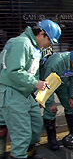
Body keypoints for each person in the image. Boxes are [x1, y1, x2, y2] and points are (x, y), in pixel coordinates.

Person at [0, 19, 61, 159]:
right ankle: (19, 155)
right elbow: (14, 72)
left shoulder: (35, 47)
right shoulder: (21, 43)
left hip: (26, 92)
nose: (50, 45)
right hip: (12, 92)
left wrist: (38, 93)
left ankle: (28, 152)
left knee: (36, 126)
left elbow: (33, 71)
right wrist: (36, 83)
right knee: (22, 134)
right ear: (42, 34)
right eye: (50, 41)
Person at [40, 47, 73, 151]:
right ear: (72, 60)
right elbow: (46, 85)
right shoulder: (55, 63)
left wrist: (72, 97)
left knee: (71, 107)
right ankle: (52, 138)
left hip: (63, 83)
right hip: (48, 83)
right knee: (50, 110)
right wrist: (50, 103)